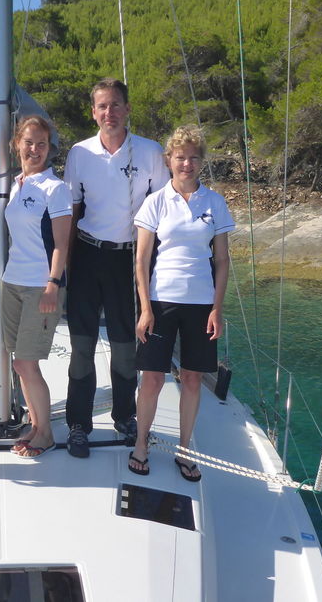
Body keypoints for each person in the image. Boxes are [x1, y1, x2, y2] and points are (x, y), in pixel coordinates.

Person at [64, 78, 171, 458]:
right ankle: (78, 423)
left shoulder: (151, 152)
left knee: (126, 348)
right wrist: (64, 269)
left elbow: (162, 213)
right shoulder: (80, 154)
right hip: (88, 256)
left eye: (115, 105)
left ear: (127, 109)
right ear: (93, 112)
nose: (108, 113)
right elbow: (72, 211)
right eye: (101, 107)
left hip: (130, 260)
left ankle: (125, 416)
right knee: (81, 346)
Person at [130, 125, 235, 480]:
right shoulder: (156, 201)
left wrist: (217, 309)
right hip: (161, 301)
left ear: (201, 161)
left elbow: (221, 260)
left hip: (201, 304)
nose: (186, 163)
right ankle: (141, 444)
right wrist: (145, 308)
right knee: (152, 380)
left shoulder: (214, 202)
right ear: (169, 161)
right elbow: (142, 260)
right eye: (180, 157)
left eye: (193, 157)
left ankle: (185, 449)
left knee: (192, 380)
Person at [2, 115, 72, 458]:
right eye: (28, 142)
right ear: (18, 144)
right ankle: (35, 421)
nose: (34, 149)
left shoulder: (55, 189)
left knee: (28, 363)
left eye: (41, 144)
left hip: (38, 287)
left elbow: (61, 244)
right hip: (11, 282)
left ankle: (45, 433)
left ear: (49, 148)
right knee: (19, 363)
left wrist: (52, 285)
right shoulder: (17, 184)